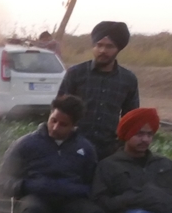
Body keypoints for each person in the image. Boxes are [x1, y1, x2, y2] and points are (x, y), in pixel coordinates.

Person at [59, 21, 140, 160]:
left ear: (118, 49)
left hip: (109, 151)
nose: (102, 50)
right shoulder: (76, 73)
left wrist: (121, 146)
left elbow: (131, 118)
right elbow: (60, 110)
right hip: (73, 147)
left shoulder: (128, 79)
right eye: (99, 45)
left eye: (109, 46)